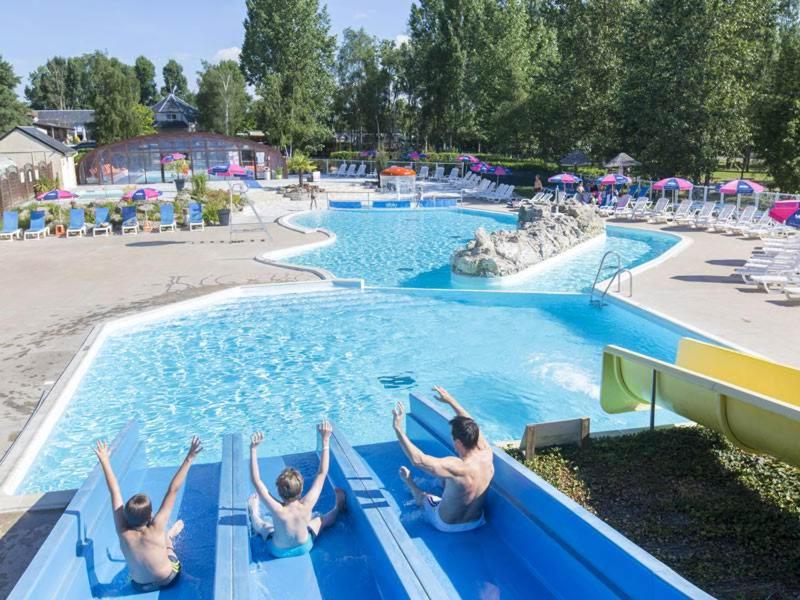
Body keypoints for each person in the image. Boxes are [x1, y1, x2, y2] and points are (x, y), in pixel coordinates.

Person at [94, 436, 203, 593]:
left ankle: (168, 536)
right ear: (151, 515)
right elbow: (173, 490)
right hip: (169, 580)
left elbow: (114, 492)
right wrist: (189, 457)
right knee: (167, 545)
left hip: (140, 586)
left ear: (126, 514)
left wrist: (104, 460)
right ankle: (170, 536)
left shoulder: (122, 530)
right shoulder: (157, 527)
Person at [392, 386, 494, 533]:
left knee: (425, 498)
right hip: (477, 521)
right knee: (447, 480)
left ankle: (410, 484)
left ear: (458, 443)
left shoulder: (456, 467)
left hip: (447, 525)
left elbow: (418, 460)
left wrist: (398, 429)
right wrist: (450, 400)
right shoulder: (486, 453)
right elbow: (472, 423)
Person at [248, 420, 346, 558]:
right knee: (320, 521)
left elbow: (256, 481)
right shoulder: (307, 504)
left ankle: (254, 513)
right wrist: (325, 440)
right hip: (305, 547)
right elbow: (322, 473)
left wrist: (253, 449)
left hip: (278, 551)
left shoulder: (277, 509)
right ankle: (337, 509)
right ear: (300, 490)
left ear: (279, 492)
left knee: (263, 527)